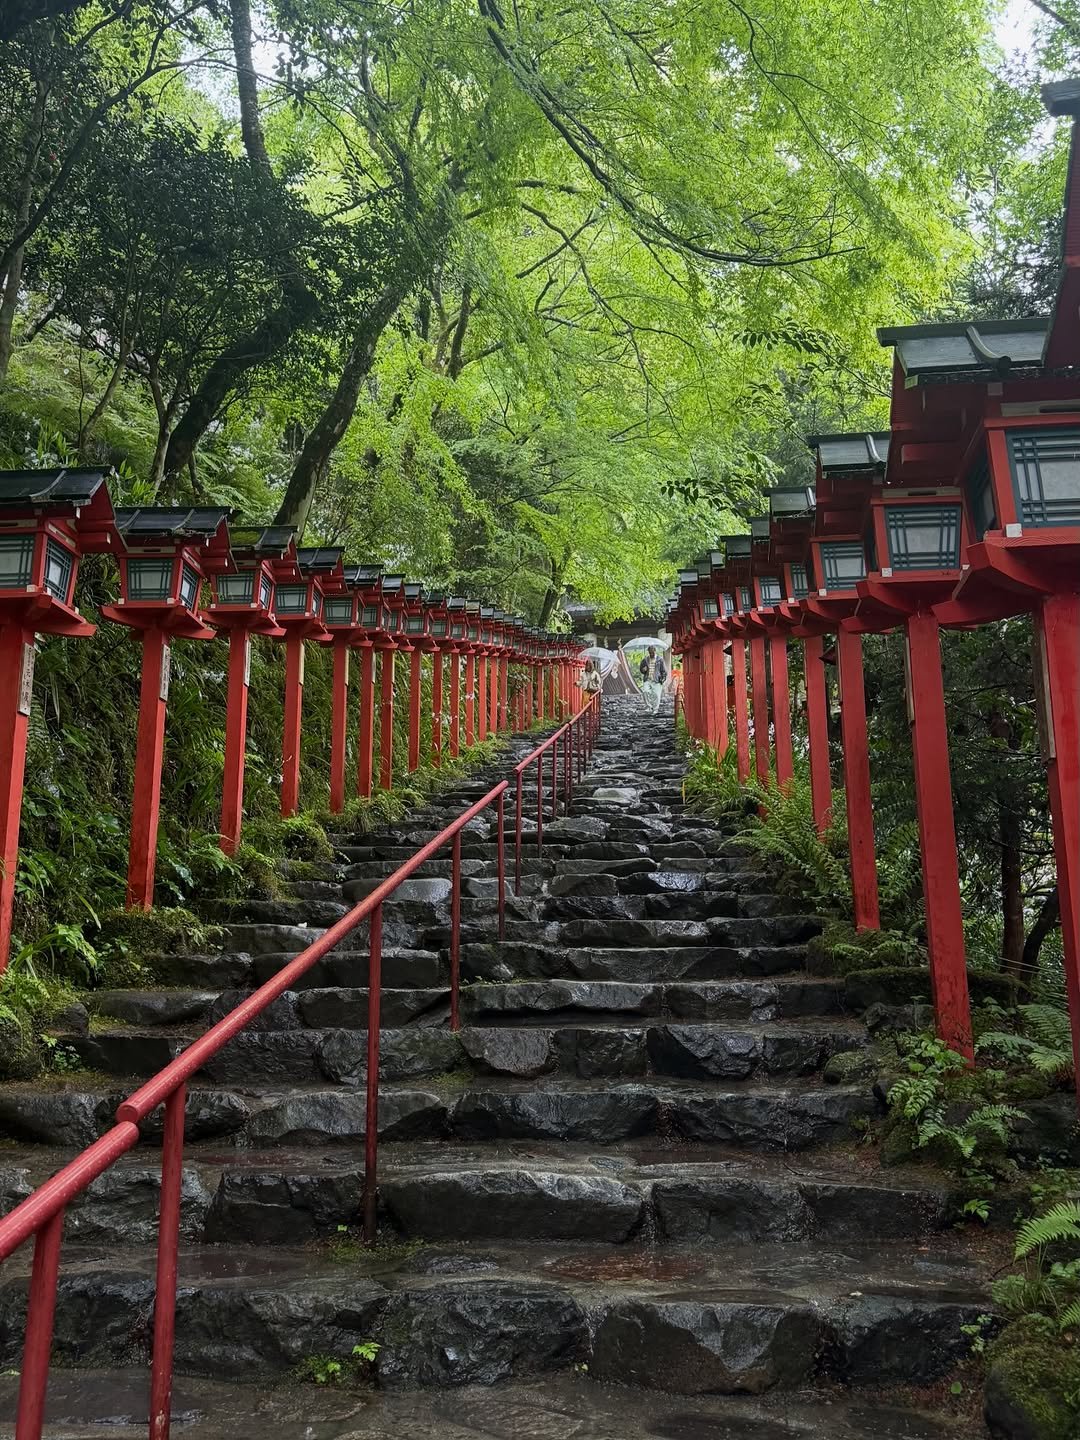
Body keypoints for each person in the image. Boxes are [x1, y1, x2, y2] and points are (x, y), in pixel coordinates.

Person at [639, 645, 666, 714]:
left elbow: (664, 671)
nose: (651, 654)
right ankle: (649, 707)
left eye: (652, 652)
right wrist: (643, 670)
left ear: (655, 651)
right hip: (647, 679)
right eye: (650, 653)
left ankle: (655, 709)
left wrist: (663, 679)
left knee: (656, 695)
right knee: (645, 691)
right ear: (648, 652)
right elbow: (641, 670)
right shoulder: (645, 660)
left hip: (657, 680)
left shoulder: (660, 660)